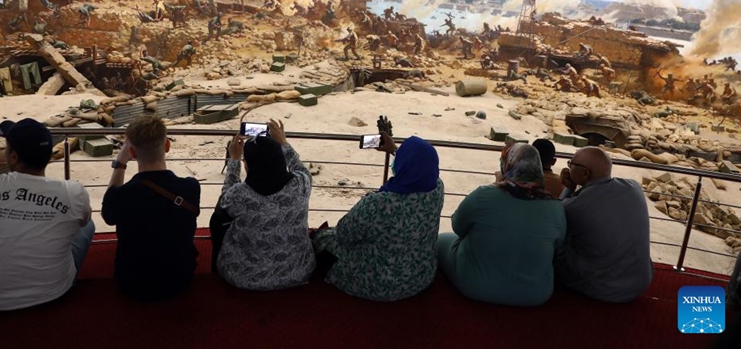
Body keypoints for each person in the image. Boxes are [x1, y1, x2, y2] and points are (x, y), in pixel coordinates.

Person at [0, 119, 94, 311]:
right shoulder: (73, 192)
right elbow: (82, 221)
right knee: (87, 223)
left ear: (14, 157)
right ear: (49, 156)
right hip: (55, 291)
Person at [312, 133, 444, 301]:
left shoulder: (380, 204)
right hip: (419, 276)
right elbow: (419, 167)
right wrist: (394, 150)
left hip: (377, 284)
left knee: (324, 239)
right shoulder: (437, 188)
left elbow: (344, 235)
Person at [437, 144, 565, 306]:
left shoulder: (484, 195)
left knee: (441, 240)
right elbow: (558, 244)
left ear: (506, 165)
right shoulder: (555, 206)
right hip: (535, 293)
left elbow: (458, 227)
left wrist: (496, 185)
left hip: (475, 286)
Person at [101, 115, 200, 302]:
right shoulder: (191, 187)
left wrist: (120, 163)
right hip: (179, 280)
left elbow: (108, 214)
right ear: (167, 146)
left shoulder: (122, 195)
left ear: (133, 152)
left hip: (132, 283)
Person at [210, 120, 314, 290]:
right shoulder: (301, 183)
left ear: (247, 165)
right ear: (280, 160)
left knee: (217, 221)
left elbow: (224, 202)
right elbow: (299, 166)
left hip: (244, 277)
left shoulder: (239, 194)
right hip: (298, 272)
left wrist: (234, 159)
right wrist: (283, 143)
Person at [555, 147, 653, 302]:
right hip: (639, 283)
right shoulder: (634, 188)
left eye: (571, 164)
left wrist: (569, 187)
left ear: (585, 173)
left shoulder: (576, 206)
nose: (568, 167)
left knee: (554, 245)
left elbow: (553, 221)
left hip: (601, 288)